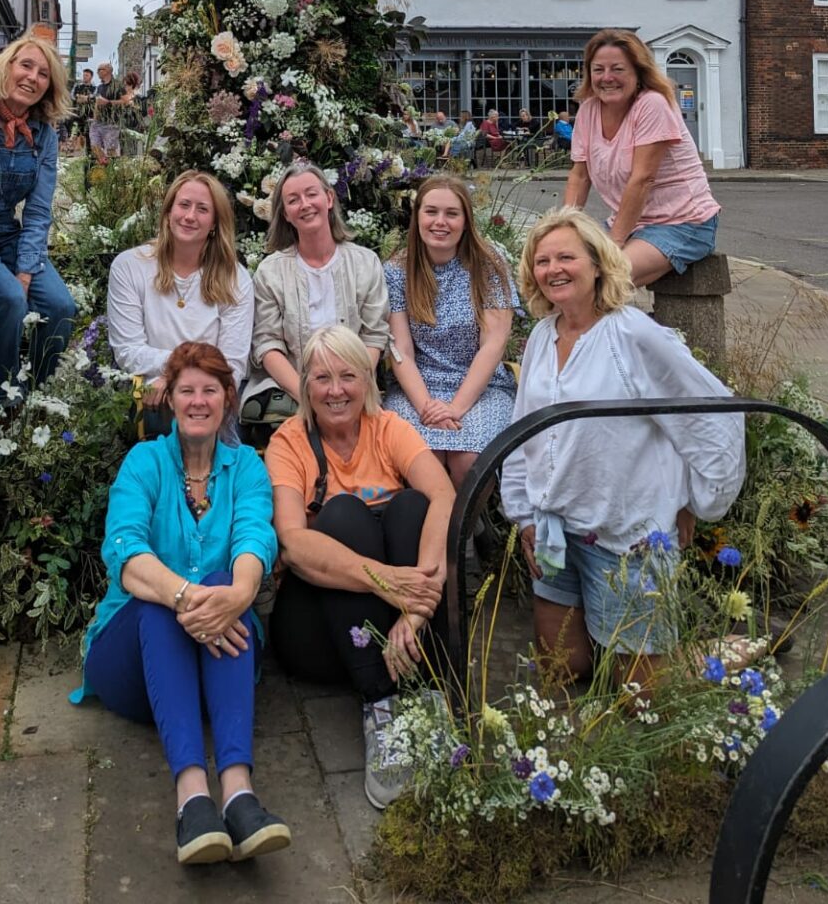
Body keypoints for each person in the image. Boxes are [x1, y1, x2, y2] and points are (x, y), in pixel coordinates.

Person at [500, 208, 745, 683]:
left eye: (566, 257)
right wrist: (524, 516)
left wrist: (693, 501)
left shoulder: (631, 334)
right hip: (557, 529)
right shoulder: (542, 336)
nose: (553, 269)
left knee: (640, 696)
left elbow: (710, 413)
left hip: (625, 534)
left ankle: (726, 649)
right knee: (560, 670)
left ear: (597, 264)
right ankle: (614, 638)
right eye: (542, 261)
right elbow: (523, 429)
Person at [73, 341, 289, 866]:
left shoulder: (247, 468)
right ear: (169, 399)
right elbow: (124, 550)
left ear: (228, 399)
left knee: (223, 579)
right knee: (158, 602)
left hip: (217, 659)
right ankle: (192, 800)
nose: (197, 401)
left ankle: (238, 796)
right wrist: (188, 598)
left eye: (209, 390)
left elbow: (255, 537)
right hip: (130, 667)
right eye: (186, 390)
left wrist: (237, 594)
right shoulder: (144, 462)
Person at [266, 326, 456, 809]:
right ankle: (381, 705)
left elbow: (445, 495)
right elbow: (292, 542)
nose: (336, 390)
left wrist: (416, 606)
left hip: (403, 625)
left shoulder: (388, 428)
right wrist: (386, 582)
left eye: (348, 376)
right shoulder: (289, 443)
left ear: (367, 380)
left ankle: (427, 693)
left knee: (413, 506)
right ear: (306, 386)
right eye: (322, 378)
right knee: (342, 515)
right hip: (320, 631)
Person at [383, 176, 519, 489]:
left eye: (452, 214)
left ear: (466, 220)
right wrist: (427, 408)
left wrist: (456, 407)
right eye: (431, 212)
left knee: (468, 461)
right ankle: (432, 518)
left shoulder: (489, 264)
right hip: (418, 387)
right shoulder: (396, 270)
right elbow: (401, 350)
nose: (440, 222)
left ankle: (467, 521)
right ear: (418, 216)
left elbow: (493, 344)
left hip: (481, 385)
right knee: (422, 456)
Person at [563, 29, 721, 286]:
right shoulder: (588, 110)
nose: (607, 78)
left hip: (682, 222)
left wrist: (613, 245)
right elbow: (580, 176)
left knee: (603, 279)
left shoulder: (652, 104)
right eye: (598, 70)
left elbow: (643, 178)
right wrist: (565, 230)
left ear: (638, 72)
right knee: (560, 270)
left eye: (618, 69)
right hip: (631, 222)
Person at [0, 37, 76, 403]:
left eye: (44, 74)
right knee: (10, 298)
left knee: (60, 306)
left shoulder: (44, 134)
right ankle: (2, 398)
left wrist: (26, 269)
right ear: (6, 66)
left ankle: (39, 394)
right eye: (26, 65)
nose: (32, 77)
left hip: (7, 232)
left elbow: (38, 210)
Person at [248, 164, 389, 422]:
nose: (305, 204)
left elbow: (374, 337)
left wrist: (348, 390)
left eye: (311, 194)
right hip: (295, 397)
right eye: (293, 200)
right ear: (286, 214)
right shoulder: (270, 272)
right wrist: (308, 397)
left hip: (356, 393)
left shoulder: (365, 263)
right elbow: (267, 344)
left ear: (329, 198)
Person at [107, 170, 254, 407]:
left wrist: (180, 381)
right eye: (184, 205)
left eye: (202, 209)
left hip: (212, 400)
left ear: (214, 223)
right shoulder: (129, 267)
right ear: (168, 213)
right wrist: (184, 370)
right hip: (154, 398)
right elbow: (127, 350)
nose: (190, 216)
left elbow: (232, 363)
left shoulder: (235, 278)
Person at [89, 61, 123, 166]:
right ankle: (102, 166)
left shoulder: (117, 85)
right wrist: (94, 119)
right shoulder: (100, 87)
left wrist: (108, 102)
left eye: (100, 69)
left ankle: (112, 169)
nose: (98, 71)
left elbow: (126, 101)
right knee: (95, 146)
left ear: (108, 71)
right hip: (98, 122)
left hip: (111, 123)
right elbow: (97, 103)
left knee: (111, 151)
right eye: (97, 70)